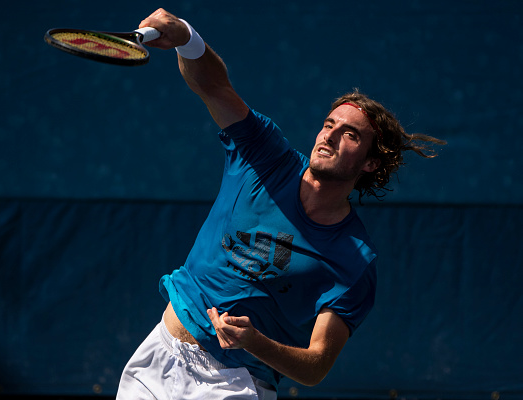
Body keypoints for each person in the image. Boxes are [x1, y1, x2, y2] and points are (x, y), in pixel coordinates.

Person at [116, 8, 445, 400]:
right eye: (329, 124)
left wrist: (255, 342)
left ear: (371, 163)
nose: (331, 135)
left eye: (350, 135)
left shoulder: (355, 261)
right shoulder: (265, 155)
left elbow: (317, 365)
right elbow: (215, 87)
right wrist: (187, 38)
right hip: (159, 357)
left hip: (234, 387)